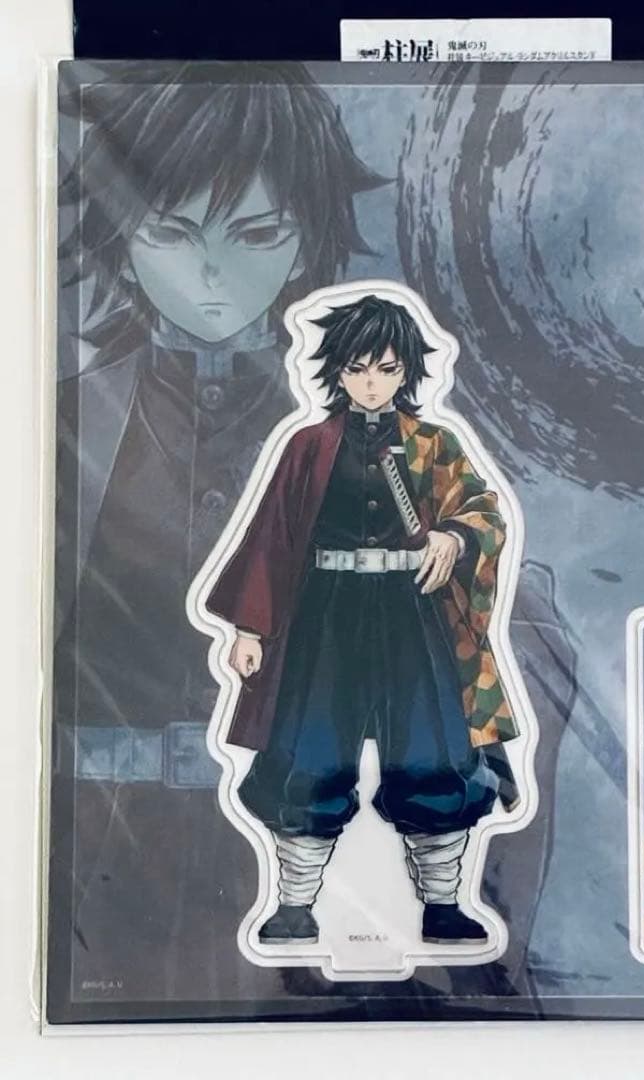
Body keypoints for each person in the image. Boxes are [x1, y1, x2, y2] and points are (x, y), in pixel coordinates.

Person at [53, 61, 383, 997]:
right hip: (93, 869)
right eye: (169, 233)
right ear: (121, 237)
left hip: (317, 858)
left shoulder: (363, 434)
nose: (209, 275)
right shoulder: (61, 423)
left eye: (257, 234)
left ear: (308, 237)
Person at [205, 294, 521, 946]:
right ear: (337, 371)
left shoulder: (434, 443)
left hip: (413, 613)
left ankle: (442, 905)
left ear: (406, 370)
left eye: (385, 368)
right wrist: (249, 628)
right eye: (357, 368)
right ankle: (294, 903)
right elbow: (272, 536)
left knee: (432, 752)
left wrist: (453, 537)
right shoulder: (308, 445)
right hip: (326, 615)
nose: (371, 382)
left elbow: (484, 511)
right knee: (309, 751)